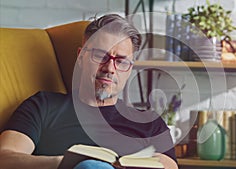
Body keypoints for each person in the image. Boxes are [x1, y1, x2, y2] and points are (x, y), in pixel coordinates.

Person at [0, 14, 178, 169]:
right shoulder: (43, 106)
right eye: (101, 56)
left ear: (130, 68)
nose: (109, 68)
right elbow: (5, 158)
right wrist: (63, 164)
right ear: (81, 56)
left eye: (121, 61)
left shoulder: (150, 124)